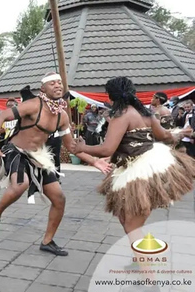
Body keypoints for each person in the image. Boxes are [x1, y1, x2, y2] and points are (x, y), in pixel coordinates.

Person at [0, 72, 112, 256]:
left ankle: (48, 241)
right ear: (43, 88)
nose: (58, 85)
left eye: (60, 83)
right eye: (52, 83)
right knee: (21, 184)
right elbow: (0, 117)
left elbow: (70, 146)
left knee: (59, 199)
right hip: (16, 151)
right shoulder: (32, 105)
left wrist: (94, 160)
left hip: (39, 157)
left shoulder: (62, 116)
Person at [73, 77, 195, 242]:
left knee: (132, 226)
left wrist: (83, 148)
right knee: (125, 219)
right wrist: (179, 133)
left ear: (110, 97)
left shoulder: (122, 116)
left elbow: (107, 149)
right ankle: (141, 257)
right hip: (152, 166)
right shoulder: (146, 114)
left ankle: (147, 266)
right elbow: (165, 136)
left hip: (140, 171)